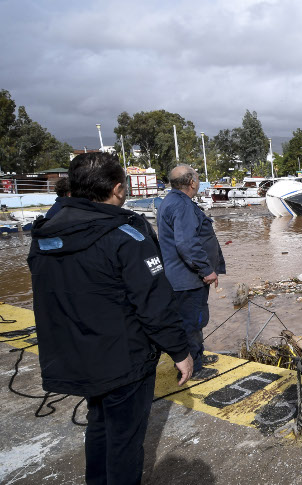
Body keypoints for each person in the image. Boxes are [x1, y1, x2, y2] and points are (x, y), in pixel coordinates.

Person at [28, 152, 193, 485]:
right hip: (123, 360)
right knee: (125, 442)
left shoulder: (46, 233)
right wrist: (180, 351)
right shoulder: (127, 234)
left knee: (99, 425)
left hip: (76, 355)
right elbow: (154, 303)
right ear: (118, 189)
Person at [158, 165, 226, 380]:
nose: (198, 182)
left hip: (181, 276)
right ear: (192, 183)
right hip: (188, 278)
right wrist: (206, 270)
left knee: (191, 321)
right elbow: (187, 244)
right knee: (192, 322)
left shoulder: (171, 201)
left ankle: (197, 356)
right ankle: (194, 367)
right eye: (197, 178)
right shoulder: (182, 205)